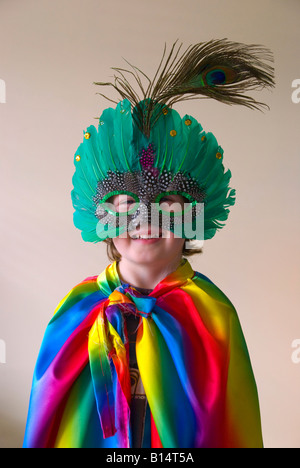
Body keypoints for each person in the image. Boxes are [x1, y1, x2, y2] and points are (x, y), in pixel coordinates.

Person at [23, 39, 275, 448]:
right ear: (100, 218)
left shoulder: (214, 316)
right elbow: (48, 420)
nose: (145, 219)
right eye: (125, 204)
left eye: (169, 203)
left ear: (195, 215)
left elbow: (232, 429)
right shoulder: (77, 308)